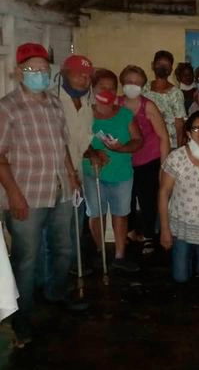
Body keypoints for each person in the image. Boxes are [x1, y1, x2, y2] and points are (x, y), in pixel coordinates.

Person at [0, 43, 80, 343]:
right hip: (27, 194)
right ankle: (22, 317)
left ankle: (57, 293)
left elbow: (62, 144)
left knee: (63, 248)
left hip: (59, 189)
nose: (39, 74)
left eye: (44, 69)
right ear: (19, 72)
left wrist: (71, 175)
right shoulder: (7, 107)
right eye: (32, 69)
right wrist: (13, 194)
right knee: (26, 258)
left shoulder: (55, 104)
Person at [83, 69, 143, 273]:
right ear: (93, 89)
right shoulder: (85, 114)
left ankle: (119, 256)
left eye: (111, 88)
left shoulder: (125, 114)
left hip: (121, 174)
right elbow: (75, 141)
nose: (107, 92)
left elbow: (138, 140)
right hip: (93, 173)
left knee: (120, 214)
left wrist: (121, 148)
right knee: (95, 214)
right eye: (102, 87)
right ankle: (100, 252)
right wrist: (92, 153)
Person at [118, 65, 170, 254]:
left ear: (143, 86)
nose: (133, 86)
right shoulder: (116, 104)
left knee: (148, 200)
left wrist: (163, 167)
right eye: (129, 82)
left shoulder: (148, 106)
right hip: (124, 160)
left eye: (137, 83)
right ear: (122, 83)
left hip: (148, 159)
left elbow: (164, 137)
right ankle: (130, 233)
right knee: (126, 200)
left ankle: (148, 236)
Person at [159, 112, 199, 283]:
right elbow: (163, 193)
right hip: (182, 226)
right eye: (196, 128)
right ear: (188, 133)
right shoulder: (177, 157)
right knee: (180, 277)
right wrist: (165, 229)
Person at [54, 54, 96, 275]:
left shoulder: (87, 103)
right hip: (57, 177)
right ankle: (53, 278)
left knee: (75, 226)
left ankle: (71, 268)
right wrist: (69, 174)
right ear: (64, 74)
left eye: (88, 76)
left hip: (77, 174)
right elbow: (57, 142)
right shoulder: (53, 101)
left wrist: (92, 152)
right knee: (58, 232)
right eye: (79, 74)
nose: (84, 79)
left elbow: (81, 141)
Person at [142, 50, 186, 149]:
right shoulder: (144, 88)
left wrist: (178, 149)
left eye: (166, 65)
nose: (162, 67)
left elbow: (179, 124)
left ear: (171, 69)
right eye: (159, 64)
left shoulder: (176, 93)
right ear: (153, 65)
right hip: (147, 142)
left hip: (169, 145)